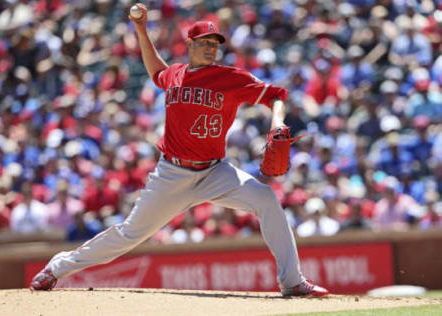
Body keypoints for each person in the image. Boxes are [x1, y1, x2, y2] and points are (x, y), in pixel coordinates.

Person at [30, 4, 329, 297]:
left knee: (265, 198)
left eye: (215, 43)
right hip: (172, 173)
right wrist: (141, 30)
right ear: (190, 44)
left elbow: (276, 95)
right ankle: (57, 268)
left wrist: (277, 123)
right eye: (205, 42)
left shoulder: (229, 78)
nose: (211, 48)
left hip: (214, 171)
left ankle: (292, 281)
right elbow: (156, 71)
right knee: (128, 235)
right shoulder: (175, 75)